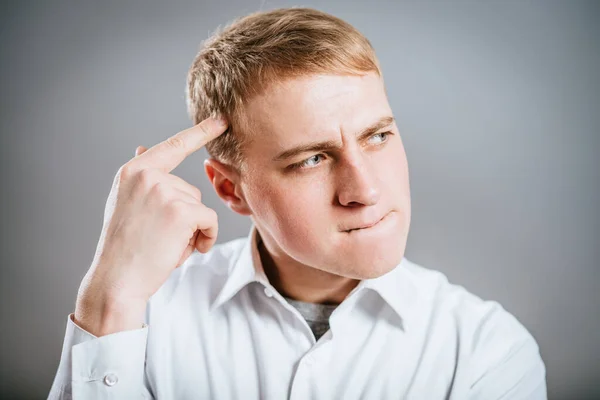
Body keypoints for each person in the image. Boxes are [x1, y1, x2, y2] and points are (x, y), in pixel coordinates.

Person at [48, 7, 546, 399]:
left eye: (378, 136)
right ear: (230, 190)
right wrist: (107, 298)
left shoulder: (487, 351)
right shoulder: (141, 321)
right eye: (310, 159)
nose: (366, 190)